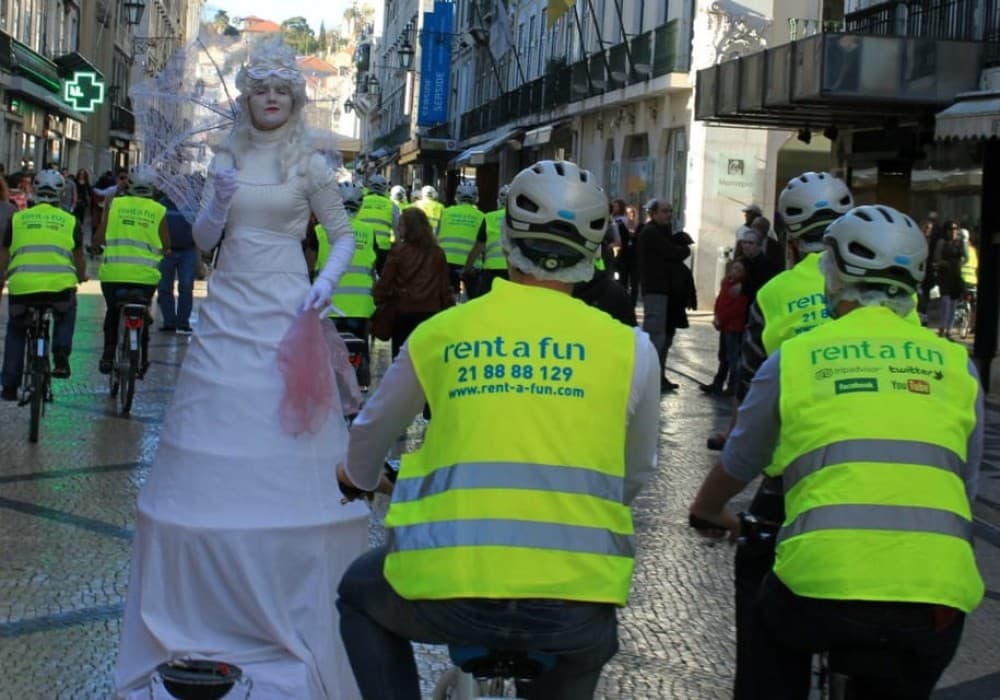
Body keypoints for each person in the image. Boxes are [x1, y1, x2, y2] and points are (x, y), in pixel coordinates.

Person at [336, 160, 660, 700]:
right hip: (574, 598)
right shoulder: (634, 351)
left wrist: (356, 476)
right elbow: (635, 474)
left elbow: (371, 432)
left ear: (506, 240)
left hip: (446, 587)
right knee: (581, 657)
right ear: (593, 252)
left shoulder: (444, 333)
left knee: (358, 597)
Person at [114, 40, 369, 699]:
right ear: (248, 98)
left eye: (282, 87)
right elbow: (201, 243)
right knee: (221, 416)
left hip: (287, 301)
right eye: (260, 88)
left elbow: (341, 234)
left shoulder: (310, 163)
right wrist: (216, 203)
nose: (272, 97)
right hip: (229, 305)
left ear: (296, 97)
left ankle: (283, 569)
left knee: (284, 426)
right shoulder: (224, 156)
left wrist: (327, 283)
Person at [689, 204, 984, 699]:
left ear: (836, 275)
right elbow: (966, 483)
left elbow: (742, 459)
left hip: (820, 589)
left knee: (768, 636)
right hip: (936, 600)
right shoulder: (959, 366)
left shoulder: (797, 358)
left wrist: (706, 508)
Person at [709, 171, 855, 697]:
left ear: (789, 238)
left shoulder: (775, 293)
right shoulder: (883, 298)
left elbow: (751, 394)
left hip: (791, 481)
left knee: (759, 575)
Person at [0, 170, 86, 399]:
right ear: (61, 193)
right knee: (67, 311)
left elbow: (4, 253)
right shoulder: (70, 221)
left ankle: (9, 385)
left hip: (23, 287)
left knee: (17, 328)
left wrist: (2, 277)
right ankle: (60, 355)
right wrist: (81, 276)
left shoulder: (17, 219)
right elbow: (79, 256)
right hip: (59, 289)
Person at [92, 165, 170, 376]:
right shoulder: (158, 210)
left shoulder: (115, 204)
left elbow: (100, 236)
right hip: (145, 278)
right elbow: (166, 245)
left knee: (113, 311)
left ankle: (108, 355)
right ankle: (142, 358)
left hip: (113, 275)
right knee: (142, 311)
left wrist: (96, 246)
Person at [373, 206, 453, 358]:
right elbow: (444, 287)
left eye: (401, 225)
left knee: (401, 358)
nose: (398, 227)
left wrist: (378, 300)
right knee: (425, 357)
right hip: (431, 313)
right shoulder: (437, 253)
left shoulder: (398, 252)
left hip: (403, 312)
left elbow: (385, 283)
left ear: (410, 228)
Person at [320, 181, 376, 383]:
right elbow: (375, 267)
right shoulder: (369, 232)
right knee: (360, 351)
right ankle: (360, 383)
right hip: (360, 308)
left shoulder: (320, 230)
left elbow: (309, 268)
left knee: (325, 355)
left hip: (328, 307)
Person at [637, 198, 693, 392]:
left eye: (670, 211)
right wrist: (684, 249)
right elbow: (672, 252)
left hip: (668, 291)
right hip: (656, 290)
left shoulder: (662, 232)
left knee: (666, 337)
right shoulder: (651, 232)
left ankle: (659, 376)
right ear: (653, 213)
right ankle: (650, 378)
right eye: (664, 211)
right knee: (656, 337)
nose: (668, 215)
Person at [701, 259, 748, 397]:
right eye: (734, 268)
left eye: (739, 270)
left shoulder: (741, 288)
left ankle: (732, 385)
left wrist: (721, 318)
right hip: (725, 325)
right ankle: (718, 383)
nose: (735, 272)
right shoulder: (726, 283)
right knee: (723, 356)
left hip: (733, 326)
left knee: (732, 357)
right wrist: (716, 316)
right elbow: (720, 301)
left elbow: (737, 309)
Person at [156, 193, 198, 334]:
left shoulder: (191, 204)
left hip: (187, 250)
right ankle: (169, 322)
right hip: (166, 251)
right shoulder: (161, 204)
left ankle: (183, 322)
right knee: (164, 287)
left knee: (186, 286)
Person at [437, 179, 485, 297]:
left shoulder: (445, 213)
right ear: (475, 198)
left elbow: (436, 237)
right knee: (472, 300)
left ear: (457, 196)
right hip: (471, 265)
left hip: (446, 262)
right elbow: (484, 244)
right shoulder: (482, 216)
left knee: (448, 298)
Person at [462, 183, 508, 299]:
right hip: (515, 273)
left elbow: (477, 249)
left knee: (482, 304)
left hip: (492, 274)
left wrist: (466, 270)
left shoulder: (489, 218)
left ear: (499, 201)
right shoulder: (523, 218)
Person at [357, 173, 398, 274]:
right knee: (383, 279)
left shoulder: (359, 202)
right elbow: (398, 230)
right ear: (385, 188)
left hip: (361, 246)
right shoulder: (392, 206)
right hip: (383, 249)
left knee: (361, 275)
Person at [934, 221, 965, 339]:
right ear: (946, 231)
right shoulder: (942, 242)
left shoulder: (960, 243)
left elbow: (965, 257)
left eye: (955, 229)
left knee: (953, 302)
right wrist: (945, 263)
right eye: (951, 229)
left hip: (956, 275)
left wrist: (961, 264)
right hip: (945, 275)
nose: (953, 232)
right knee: (945, 300)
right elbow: (937, 258)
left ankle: (949, 329)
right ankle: (942, 326)